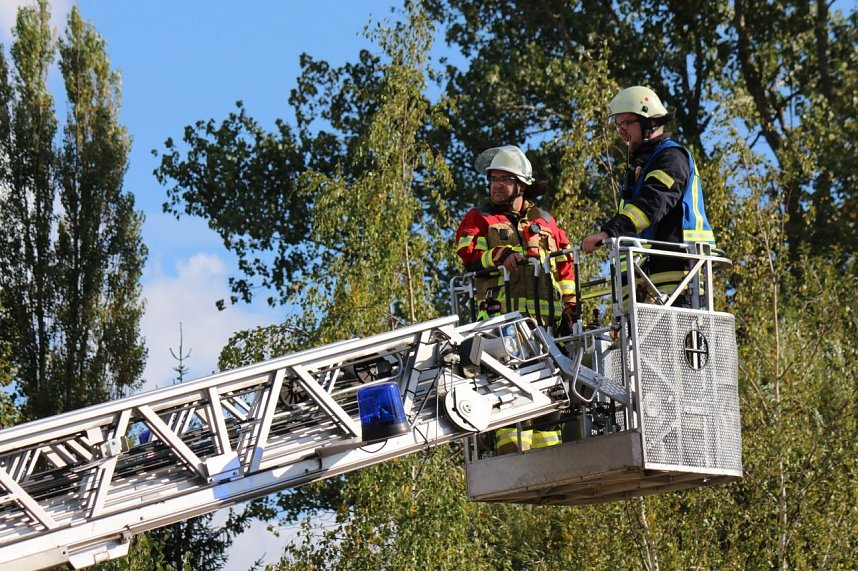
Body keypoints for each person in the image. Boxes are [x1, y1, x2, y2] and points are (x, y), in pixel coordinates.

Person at [455, 145, 575, 453]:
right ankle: (511, 449)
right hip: (500, 322)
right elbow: (467, 256)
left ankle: (548, 456)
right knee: (507, 387)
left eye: (503, 180)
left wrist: (572, 308)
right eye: (493, 179)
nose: (496, 185)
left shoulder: (546, 221)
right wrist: (499, 254)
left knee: (551, 387)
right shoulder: (478, 217)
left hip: (547, 325)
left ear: (520, 185)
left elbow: (565, 267)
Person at [582, 86, 715, 300]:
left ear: (649, 122)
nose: (621, 130)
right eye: (617, 125)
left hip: (678, 275)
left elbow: (652, 203)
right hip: (646, 281)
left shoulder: (671, 157)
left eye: (626, 123)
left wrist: (608, 233)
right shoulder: (641, 167)